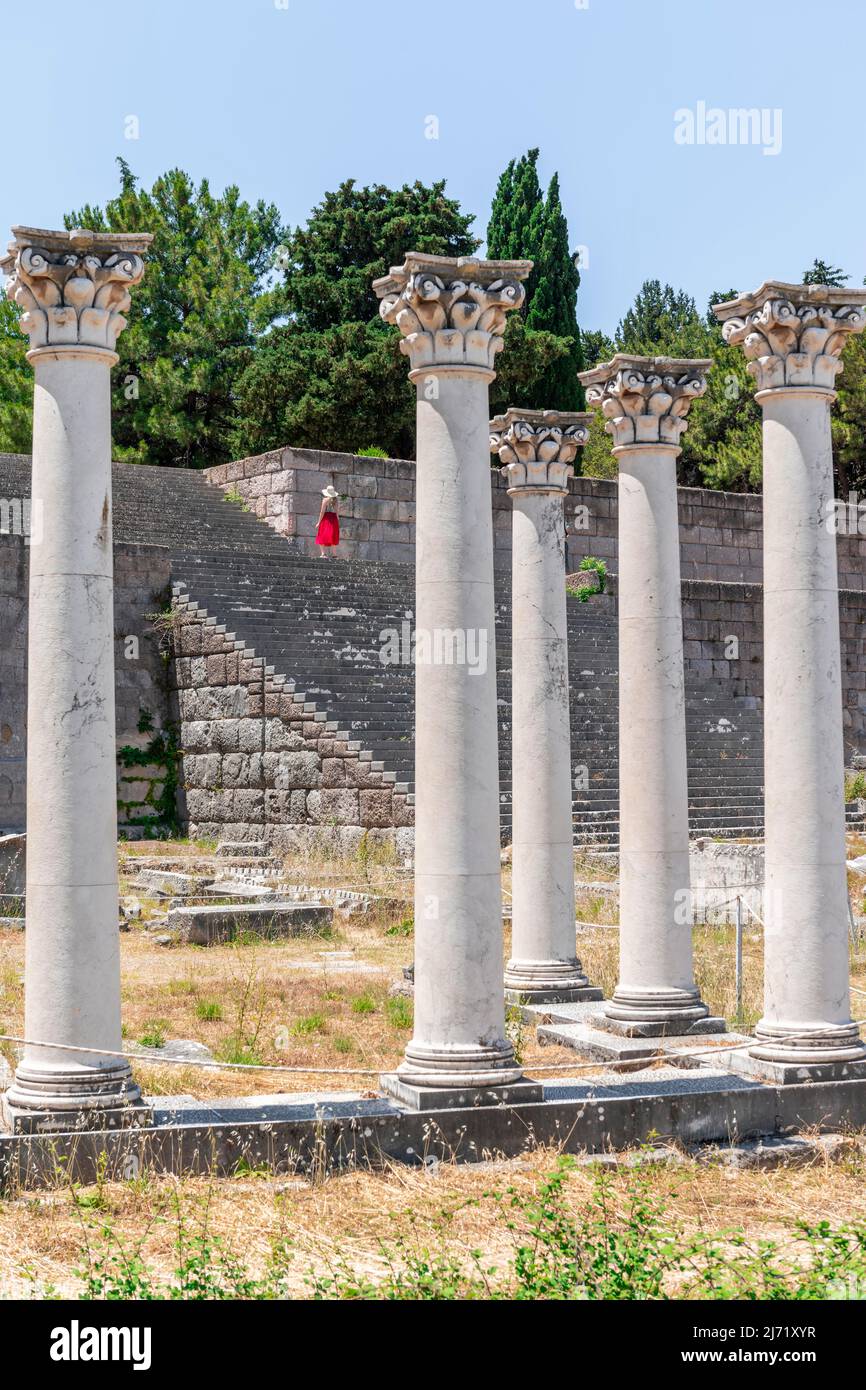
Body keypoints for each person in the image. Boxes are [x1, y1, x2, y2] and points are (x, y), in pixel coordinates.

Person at [315, 485, 340, 556]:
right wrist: (337, 519)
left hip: (326, 518)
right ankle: (334, 554)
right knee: (333, 535)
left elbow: (322, 512)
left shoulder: (325, 500)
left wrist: (319, 522)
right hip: (334, 519)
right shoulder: (336, 500)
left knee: (322, 534)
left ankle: (323, 553)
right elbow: (337, 512)